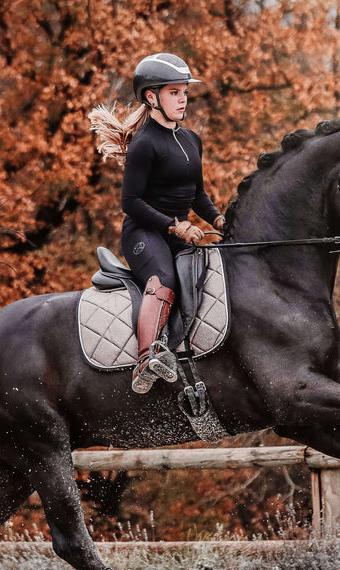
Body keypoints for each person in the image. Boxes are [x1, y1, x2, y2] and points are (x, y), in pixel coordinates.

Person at [89, 53, 225, 394]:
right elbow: (130, 203)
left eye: (184, 93)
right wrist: (176, 226)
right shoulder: (144, 144)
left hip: (177, 234)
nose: (183, 99)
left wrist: (220, 218)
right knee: (163, 277)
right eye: (174, 93)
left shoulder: (192, 139)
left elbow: (198, 195)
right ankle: (145, 360)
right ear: (152, 97)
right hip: (143, 234)